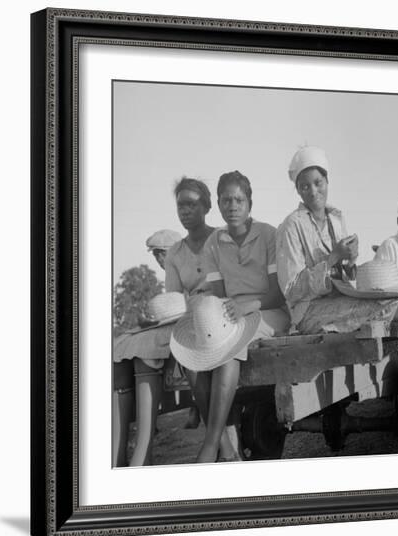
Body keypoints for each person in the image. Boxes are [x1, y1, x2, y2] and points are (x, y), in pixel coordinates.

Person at [276, 146, 398, 451]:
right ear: (297, 190)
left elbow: (342, 276)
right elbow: (291, 289)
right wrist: (332, 259)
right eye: (304, 185)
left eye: (318, 182)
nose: (312, 190)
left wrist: (348, 265)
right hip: (311, 312)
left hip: (339, 301)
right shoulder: (290, 227)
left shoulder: (336, 218)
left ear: (327, 181)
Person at [174, 170, 290, 463]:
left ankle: (210, 444)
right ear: (220, 204)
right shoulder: (214, 242)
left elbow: (278, 295)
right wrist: (226, 313)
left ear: (250, 203)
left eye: (239, 199)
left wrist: (248, 307)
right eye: (226, 200)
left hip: (269, 312)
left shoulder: (268, 234)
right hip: (232, 316)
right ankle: (226, 445)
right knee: (194, 363)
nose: (232, 206)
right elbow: (219, 294)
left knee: (230, 351)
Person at [112, 177, 214, 467]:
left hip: (203, 318)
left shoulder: (213, 244)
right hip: (181, 317)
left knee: (145, 348)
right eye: (182, 206)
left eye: (160, 254)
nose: (159, 259)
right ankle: (122, 457)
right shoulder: (178, 259)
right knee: (124, 346)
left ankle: (141, 455)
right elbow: (172, 299)